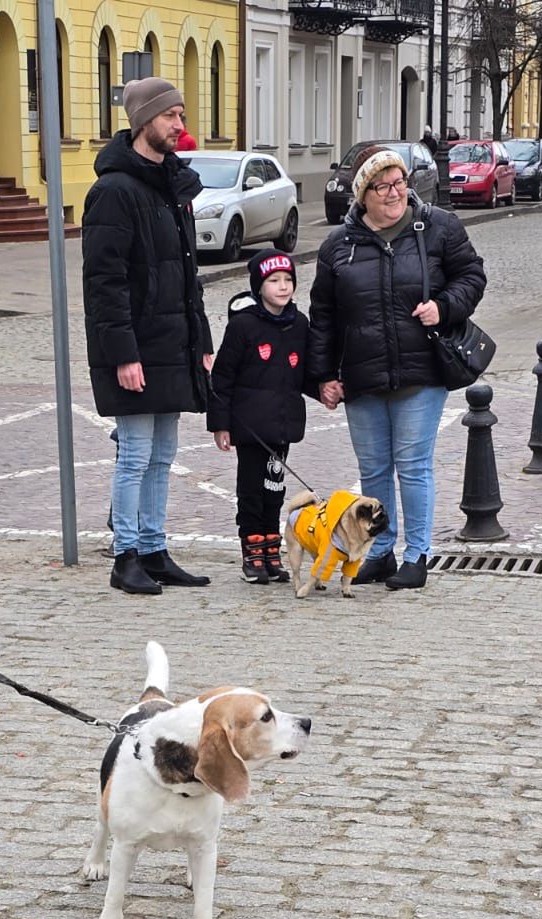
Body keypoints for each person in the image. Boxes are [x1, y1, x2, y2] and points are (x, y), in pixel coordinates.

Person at [308, 144, 486, 590]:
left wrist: (443, 307)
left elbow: (472, 276)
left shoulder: (438, 228)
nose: (394, 193)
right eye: (383, 186)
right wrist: (323, 377)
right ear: (363, 194)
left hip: (420, 369)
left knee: (413, 465)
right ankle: (381, 551)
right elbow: (323, 316)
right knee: (372, 469)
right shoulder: (338, 246)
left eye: (400, 182)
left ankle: (417, 553)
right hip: (363, 375)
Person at [82, 77, 213, 596]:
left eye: (181, 115)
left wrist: (199, 342)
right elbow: (104, 282)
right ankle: (126, 555)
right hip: (135, 347)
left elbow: (187, 276)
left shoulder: (172, 186)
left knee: (162, 454)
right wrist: (122, 354)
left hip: (171, 342)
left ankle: (155, 550)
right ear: (143, 123)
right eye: (170, 116)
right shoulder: (114, 190)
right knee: (135, 454)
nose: (180, 126)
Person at [208, 249, 313, 584]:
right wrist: (220, 424)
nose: (282, 287)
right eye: (273, 281)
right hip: (250, 425)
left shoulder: (299, 324)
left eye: (287, 280)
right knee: (251, 489)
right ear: (259, 286)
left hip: (282, 424)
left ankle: (271, 548)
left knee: (274, 488)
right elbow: (222, 378)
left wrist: (328, 387)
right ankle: (252, 550)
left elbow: (306, 372)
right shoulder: (243, 326)